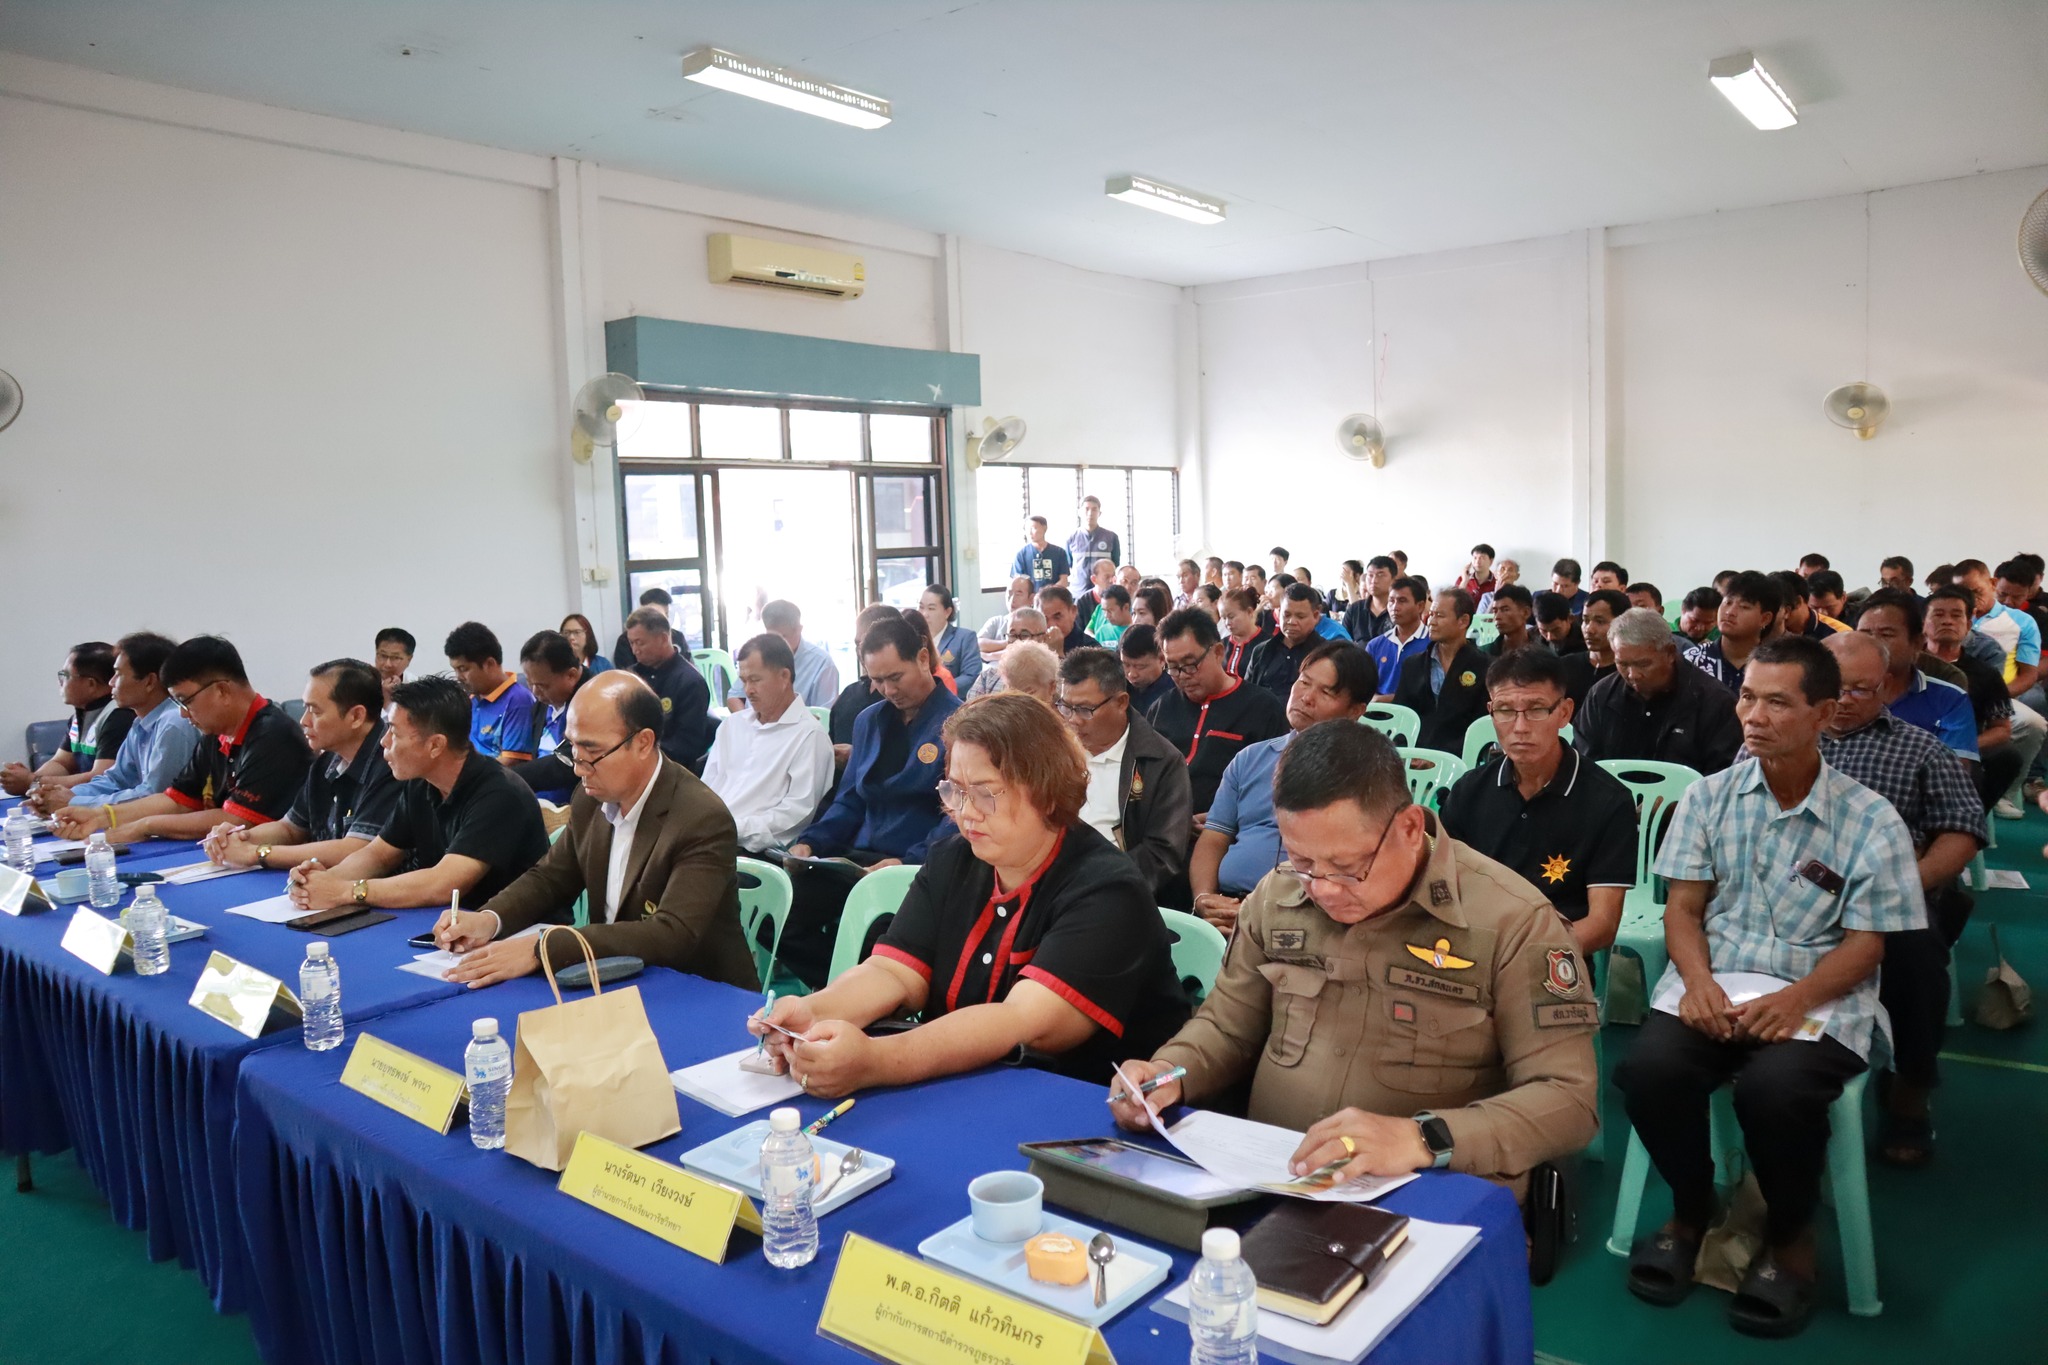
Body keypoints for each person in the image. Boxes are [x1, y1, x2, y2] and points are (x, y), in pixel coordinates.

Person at [1112, 719, 1598, 1191]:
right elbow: (1226, 1027)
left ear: (1410, 828)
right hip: (1271, 1175)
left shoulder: (1513, 921)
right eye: (1302, 860)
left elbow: (1569, 1100)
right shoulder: (1277, 897)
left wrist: (1423, 1138)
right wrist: (1169, 1072)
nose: (1322, 888)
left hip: (1427, 1190)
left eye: (1347, 867)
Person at [1615, 636, 1921, 1336]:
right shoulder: (1708, 797)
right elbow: (1683, 909)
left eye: (1777, 702)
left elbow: (1867, 944)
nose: (1753, 716)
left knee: (1775, 1091)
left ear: (1824, 713)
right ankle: (1692, 1208)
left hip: (1818, 995)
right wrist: (1696, 982)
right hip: (1716, 983)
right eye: (1748, 697)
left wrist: (1795, 1000)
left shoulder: (1870, 819)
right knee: (1650, 1071)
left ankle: (1789, 1235)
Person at [754, 693, 1190, 1094]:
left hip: (1078, 1107)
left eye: (985, 793)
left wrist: (875, 1060)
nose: (965, 813)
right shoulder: (954, 859)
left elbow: (1023, 1021)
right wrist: (817, 1011)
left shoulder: (1108, 890)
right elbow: (894, 972)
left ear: (1046, 791)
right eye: (955, 790)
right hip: (964, 1088)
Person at [434, 671, 759, 990]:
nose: (579, 768)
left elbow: (672, 933)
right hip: (615, 978)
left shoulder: (701, 817)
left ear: (643, 742)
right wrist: (490, 919)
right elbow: (551, 878)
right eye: (572, 748)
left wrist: (543, 947)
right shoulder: (591, 796)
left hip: (697, 990)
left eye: (591, 752)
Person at [1819, 633, 1985, 1169]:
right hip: (1789, 884)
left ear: (1885, 687)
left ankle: (1909, 1089)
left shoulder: (1920, 748)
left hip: (1888, 888)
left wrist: (1907, 881)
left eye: (1860, 690)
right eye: (1835, 689)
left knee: (1914, 953)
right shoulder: (1778, 737)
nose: (1845, 701)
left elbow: (1961, 831)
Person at [286, 676, 548, 912]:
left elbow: (443, 884)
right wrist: (326, 879)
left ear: (435, 745)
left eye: (394, 732)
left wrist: (346, 891)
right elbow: (379, 854)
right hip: (449, 923)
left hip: (513, 930)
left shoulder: (500, 794)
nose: (384, 741)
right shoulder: (421, 784)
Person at [1440, 649, 1637, 955]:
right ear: (1490, 711)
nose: (1520, 727)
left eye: (1536, 709)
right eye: (1505, 710)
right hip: (1473, 949)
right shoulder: (1469, 790)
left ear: (1564, 713)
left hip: (1555, 955)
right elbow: (1441, 887)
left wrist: (1520, 959)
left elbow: (1602, 925)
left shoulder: (1609, 801)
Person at [51, 636, 311, 845]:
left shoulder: (273, 735)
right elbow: (178, 800)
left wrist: (145, 825)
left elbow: (236, 819)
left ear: (222, 690)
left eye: (186, 701)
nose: (183, 714)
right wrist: (100, 816)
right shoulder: (216, 732)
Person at [1191, 642, 1373, 932]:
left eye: (1326, 692)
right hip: (1228, 907)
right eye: (1304, 682)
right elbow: (1214, 838)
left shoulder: (1366, 773)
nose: (1306, 698)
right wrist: (1204, 898)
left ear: (1355, 710)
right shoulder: (1250, 758)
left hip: (1310, 917)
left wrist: (1263, 915)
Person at [791, 615, 960, 868]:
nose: (889, 690)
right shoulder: (868, 721)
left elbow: (959, 815)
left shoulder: (961, 725)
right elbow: (849, 800)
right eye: (878, 680)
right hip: (860, 856)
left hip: (920, 863)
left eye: (896, 677)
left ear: (923, 659)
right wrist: (811, 842)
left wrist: (907, 862)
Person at [202, 659, 400, 872]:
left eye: (315, 711)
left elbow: (357, 849)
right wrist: (239, 837)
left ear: (356, 716)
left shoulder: (391, 764)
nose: (304, 721)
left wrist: (258, 853)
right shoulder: (327, 762)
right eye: (305, 709)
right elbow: (290, 828)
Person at [1055, 648, 1193, 899]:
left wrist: (1091, 882)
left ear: (1121, 702)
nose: (1073, 720)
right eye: (1066, 707)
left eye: (1084, 709)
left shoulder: (1160, 762)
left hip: (1115, 889)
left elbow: (1161, 855)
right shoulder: (1053, 750)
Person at [36, 632, 201, 817]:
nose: (111, 682)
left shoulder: (174, 723)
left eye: (118, 674)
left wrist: (74, 802)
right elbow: (116, 780)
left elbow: (155, 797)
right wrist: (64, 795)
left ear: (149, 682)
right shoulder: (140, 723)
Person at [699, 633, 836, 854]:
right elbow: (706, 790)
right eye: (744, 681)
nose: (748, 690)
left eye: (755, 680)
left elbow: (796, 814)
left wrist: (731, 829)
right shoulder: (732, 726)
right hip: (707, 837)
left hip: (755, 851)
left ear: (784, 676)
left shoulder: (809, 735)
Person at [1152, 607, 1290, 815]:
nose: (1183, 675)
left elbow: (1273, 787)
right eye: (1173, 667)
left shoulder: (1262, 708)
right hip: (1165, 822)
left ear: (1218, 652)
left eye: (1190, 664)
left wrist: (1223, 820)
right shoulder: (1161, 708)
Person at [1577, 608, 1742, 774]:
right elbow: (1584, 762)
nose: (1633, 674)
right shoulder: (1601, 695)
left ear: (1670, 653)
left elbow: (1721, 776)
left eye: (1643, 664)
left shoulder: (1716, 703)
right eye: (1623, 664)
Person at [1925, 586, 2033, 806]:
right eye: (1938, 614)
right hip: (1908, 744)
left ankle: (1973, 818)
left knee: (2008, 757)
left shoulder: (1985, 673)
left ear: (1968, 625)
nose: (1947, 621)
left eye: (1956, 615)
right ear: (1923, 623)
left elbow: (2001, 729)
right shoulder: (1906, 666)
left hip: (1961, 748)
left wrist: (1962, 746)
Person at [1852, 590, 1978, 761]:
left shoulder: (1950, 699)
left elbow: (1954, 769)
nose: (1872, 643)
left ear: (1917, 643)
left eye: (1886, 635)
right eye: (1864, 634)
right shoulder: (1835, 693)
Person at [2, 642, 131, 799]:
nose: (60, 682)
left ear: (91, 684)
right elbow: (62, 763)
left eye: (65, 675)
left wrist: (33, 781)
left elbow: (102, 777)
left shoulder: (119, 717)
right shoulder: (81, 716)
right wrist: (28, 779)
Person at [1393, 588, 1492, 752]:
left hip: (1462, 757)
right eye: (1431, 614)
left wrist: (1442, 757)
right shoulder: (1413, 665)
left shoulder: (1485, 666)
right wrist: (1408, 753)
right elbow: (1401, 716)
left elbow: (1481, 725)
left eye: (1439, 615)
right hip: (1413, 755)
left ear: (1463, 621)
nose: (1431, 621)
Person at [622, 606, 718, 773]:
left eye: (640, 643)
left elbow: (686, 745)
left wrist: (640, 757)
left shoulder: (690, 682)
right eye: (631, 643)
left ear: (663, 638)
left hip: (670, 770)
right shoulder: (631, 677)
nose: (635, 650)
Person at [510, 630, 592, 803]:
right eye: (530, 683)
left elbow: (568, 762)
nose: (535, 692)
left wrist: (511, 777)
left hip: (579, 803)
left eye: (542, 686)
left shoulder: (592, 700)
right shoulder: (543, 702)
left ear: (571, 675)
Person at [444, 621, 536, 765]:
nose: (458, 677)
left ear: (489, 664)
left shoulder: (518, 700)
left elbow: (512, 761)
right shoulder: (471, 698)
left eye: (463, 669)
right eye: (455, 670)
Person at [1685, 570, 1778, 692]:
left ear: (1765, 619)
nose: (1730, 612)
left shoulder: (1775, 666)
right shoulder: (1692, 660)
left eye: (1744, 606)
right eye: (1727, 602)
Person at [1244, 583, 1324, 703]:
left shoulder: (1326, 655)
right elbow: (1247, 693)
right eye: (1286, 615)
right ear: (1278, 612)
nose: (1291, 621)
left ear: (1316, 616)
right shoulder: (1261, 651)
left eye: (1300, 616)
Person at [760, 600, 840, 708]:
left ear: (799, 630)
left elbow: (823, 714)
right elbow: (737, 696)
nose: (776, 644)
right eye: (771, 637)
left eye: (783, 637)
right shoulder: (757, 656)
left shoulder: (822, 663)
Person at [1366, 576, 1430, 698]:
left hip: (1416, 710)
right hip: (1377, 709)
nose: (1395, 607)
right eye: (1391, 601)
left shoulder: (1433, 643)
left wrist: (1389, 700)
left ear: (1420, 606)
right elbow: (1365, 688)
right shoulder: (1375, 645)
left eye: (1402, 601)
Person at [969, 608, 1053, 698]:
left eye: (1025, 635)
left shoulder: (1051, 678)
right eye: (1012, 635)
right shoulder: (988, 677)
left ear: (1044, 639)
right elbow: (971, 706)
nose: (1017, 642)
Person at [919, 584, 985, 690]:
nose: (924, 614)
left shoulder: (965, 638)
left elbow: (971, 677)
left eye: (931, 608)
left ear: (947, 612)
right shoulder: (915, 639)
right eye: (921, 607)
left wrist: (937, 690)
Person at [610, 586, 689, 667]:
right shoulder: (625, 640)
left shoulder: (678, 637)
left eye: (665, 614)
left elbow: (687, 664)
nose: (635, 650)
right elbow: (626, 671)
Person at [1119, 624, 1176, 722]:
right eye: (1126, 665)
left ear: (1161, 659)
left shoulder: (1173, 695)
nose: (1131, 674)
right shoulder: (1119, 686)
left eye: (1140, 667)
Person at [1343, 555, 1398, 643]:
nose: (1374, 581)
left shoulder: (1399, 610)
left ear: (1394, 580)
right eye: (1370, 575)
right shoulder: (1355, 609)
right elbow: (1343, 643)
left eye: (1380, 575)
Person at [978, 576, 1035, 660]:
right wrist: (1008, 643)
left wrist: (989, 655)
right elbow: (977, 644)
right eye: (1009, 593)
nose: (1012, 599)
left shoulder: (1037, 623)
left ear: (1031, 598)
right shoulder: (997, 621)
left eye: (1018, 594)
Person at [1218, 587, 1270, 679]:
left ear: (1249, 612)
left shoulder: (1268, 644)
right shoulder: (1221, 645)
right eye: (1224, 618)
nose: (1227, 623)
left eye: (1231, 616)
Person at [1066, 496, 1121, 579]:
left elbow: (1115, 563)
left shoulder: (1112, 537)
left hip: (1103, 585)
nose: (1090, 513)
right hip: (1079, 586)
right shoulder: (1071, 538)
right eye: (1086, 509)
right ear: (1079, 512)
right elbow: (1069, 564)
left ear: (1099, 513)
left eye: (1094, 509)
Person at [1480, 583, 1542, 656]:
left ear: (1526, 613)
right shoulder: (1485, 653)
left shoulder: (1541, 653)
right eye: (1495, 611)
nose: (1497, 617)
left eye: (1505, 610)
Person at [1013, 515, 1071, 591]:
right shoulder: (1021, 554)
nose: (1029, 532)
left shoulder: (1059, 552)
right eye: (1027, 529)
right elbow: (1018, 581)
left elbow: (1064, 581)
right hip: (1031, 597)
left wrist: (1047, 594)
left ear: (1044, 528)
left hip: (1054, 595)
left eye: (1033, 528)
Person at [994, 639, 1060, 705]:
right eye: (1011, 694)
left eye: (1029, 695)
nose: (1018, 702)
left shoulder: (1063, 709)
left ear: (1052, 687)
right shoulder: (998, 707)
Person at [1037, 585, 1096, 655]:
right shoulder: (1034, 646)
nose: (1052, 625)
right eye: (1044, 619)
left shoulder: (1091, 649)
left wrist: (1057, 652)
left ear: (1073, 611)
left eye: (1057, 617)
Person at [374, 627, 416, 719]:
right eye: (383, 656)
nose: (387, 664)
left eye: (395, 658)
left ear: (409, 659)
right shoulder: (361, 682)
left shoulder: (415, 686)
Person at [1533, 590, 1586, 654]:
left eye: (1556, 630)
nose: (1549, 638)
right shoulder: (1530, 639)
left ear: (1570, 618)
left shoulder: (1586, 641)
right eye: (1543, 631)